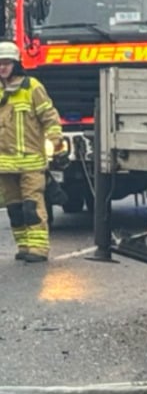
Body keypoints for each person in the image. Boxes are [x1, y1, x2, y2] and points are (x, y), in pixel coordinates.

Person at [0, 40, 64, 263]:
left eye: (6, 63)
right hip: (4, 164)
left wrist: (56, 141)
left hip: (31, 162)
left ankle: (38, 248)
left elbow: (49, 116)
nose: (2, 68)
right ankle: (24, 246)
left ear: (16, 64)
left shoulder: (32, 87)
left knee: (32, 206)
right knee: (15, 209)